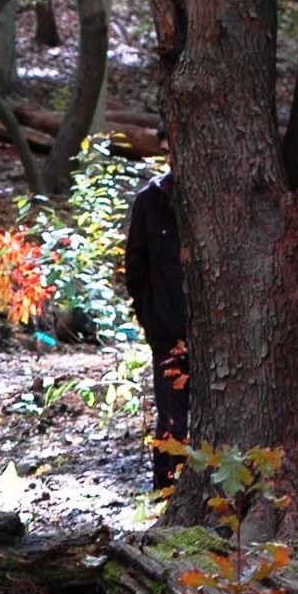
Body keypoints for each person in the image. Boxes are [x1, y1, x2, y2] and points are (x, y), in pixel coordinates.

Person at [120, 170, 187, 494]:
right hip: (168, 333)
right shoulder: (151, 200)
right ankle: (167, 495)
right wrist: (152, 319)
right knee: (172, 420)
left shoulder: (219, 195)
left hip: (222, 336)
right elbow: (136, 268)